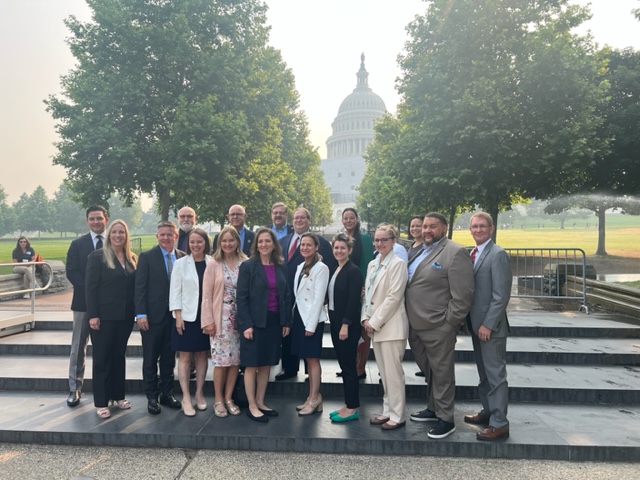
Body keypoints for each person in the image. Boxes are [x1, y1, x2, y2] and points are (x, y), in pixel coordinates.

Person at [405, 212, 474, 439]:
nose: (427, 230)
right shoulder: (417, 251)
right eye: (424, 226)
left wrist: (449, 324)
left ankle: (446, 418)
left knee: (442, 372)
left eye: (432, 226)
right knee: (430, 371)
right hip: (415, 324)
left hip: (438, 325)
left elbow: (462, 295)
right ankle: (433, 408)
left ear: (444, 228)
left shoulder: (455, 252)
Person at [465, 212, 512, 441]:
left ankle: (500, 423)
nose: (478, 230)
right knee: (484, 374)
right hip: (476, 326)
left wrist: (488, 325)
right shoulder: (473, 253)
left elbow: (501, 296)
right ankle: (488, 412)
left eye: (483, 226)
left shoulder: (498, 254)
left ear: (491, 228)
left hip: (489, 328)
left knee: (495, 376)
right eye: (474, 226)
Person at [236, 228, 292, 423]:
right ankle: (251, 405)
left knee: (267, 364)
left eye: (268, 241)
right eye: (260, 241)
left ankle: (260, 401)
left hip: (274, 322)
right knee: (252, 365)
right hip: (254, 323)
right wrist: (246, 324)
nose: (264, 245)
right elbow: (241, 298)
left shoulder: (280, 266)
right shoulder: (248, 266)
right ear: (256, 244)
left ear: (273, 244)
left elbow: (286, 296)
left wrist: (286, 321)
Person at [276, 207, 336, 381]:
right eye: (296, 218)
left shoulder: (322, 243)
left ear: (309, 220)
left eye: (303, 218)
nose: (299, 221)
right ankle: (289, 367)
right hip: (288, 296)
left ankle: (311, 373)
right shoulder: (283, 242)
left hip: (310, 299)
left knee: (309, 338)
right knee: (288, 334)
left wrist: (324, 296)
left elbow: (329, 270)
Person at [85, 219, 137, 419]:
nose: (118, 235)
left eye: (121, 232)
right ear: (109, 235)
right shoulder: (97, 257)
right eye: (114, 232)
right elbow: (91, 288)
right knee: (102, 358)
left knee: (118, 356)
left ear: (126, 235)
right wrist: (93, 315)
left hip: (124, 317)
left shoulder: (132, 258)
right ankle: (101, 401)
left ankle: (117, 395)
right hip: (103, 318)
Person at [361, 224, 409, 431]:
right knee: (384, 372)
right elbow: (367, 294)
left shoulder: (398, 264)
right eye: (377, 240)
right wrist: (365, 317)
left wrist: (374, 321)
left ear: (393, 241)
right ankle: (387, 410)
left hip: (390, 327)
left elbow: (394, 297)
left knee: (393, 374)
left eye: (384, 240)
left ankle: (397, 415)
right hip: (375, 326)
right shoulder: (373, 264)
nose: (380, 243)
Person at [134, 221, 184, 415]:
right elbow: (140, 288)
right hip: (152, 317)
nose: (165, 237)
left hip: (174, 318)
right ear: (157, 236)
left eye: (169, 234)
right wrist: (141, 313)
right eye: (162, 234)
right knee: (150, 359)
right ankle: (152, 397)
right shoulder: (147, 257)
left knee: (169, 360)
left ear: (175, 236)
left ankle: (166, 393)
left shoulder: (182, 258)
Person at [201, 226, 247, 418]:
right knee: (221, 362)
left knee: (235, 361)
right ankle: (218, 399)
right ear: (220, 243)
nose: (228, 244)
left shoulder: (246, 262)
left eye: (231, 240)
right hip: (220, 319)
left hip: (241, 320)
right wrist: (208, 321)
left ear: (237, 242)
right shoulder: (213, 263)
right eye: (224, 241)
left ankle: (229, 398)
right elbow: (207, 295)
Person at [65, 205, 109, 407]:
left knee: (107, 348)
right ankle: (75, 389)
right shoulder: (77, 244)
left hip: (109, 305)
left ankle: (107, 389)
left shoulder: (115, 241)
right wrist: (91, 292)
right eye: (92, 219)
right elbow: (72, 272)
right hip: (83, 304)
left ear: (106, 219)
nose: (96, 222)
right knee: (78, 347)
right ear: (87, 221)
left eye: (99, 218)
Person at [169, 228, 212, 416]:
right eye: (192, 242)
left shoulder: (213, 262)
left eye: (199, 242)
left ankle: (199, 393)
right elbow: (175, 291)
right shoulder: (180, 264)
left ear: (205, 243)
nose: (195, 245)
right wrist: (177, 316)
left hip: (206, 318)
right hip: (186, 318)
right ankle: (186, 397)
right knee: (185, 357)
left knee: (203, 355)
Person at [327, 234, 363, 423]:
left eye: (342, 248)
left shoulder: (353, 271)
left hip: (346, 327)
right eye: (336, 248)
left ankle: (352, 408)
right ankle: (348, 404)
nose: (339, 251)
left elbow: (352, 302)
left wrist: (345, 324)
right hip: (335, 323)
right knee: (344, 366)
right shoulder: (337, 269)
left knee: (349, 368)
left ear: (349, 250)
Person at [292, 233, 329, 416]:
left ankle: (315, 398)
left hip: (311, 320)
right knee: (307, 358)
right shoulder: (300, 266)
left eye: (309, 245)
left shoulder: (321, 268)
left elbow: (318, 299)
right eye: (302, 244)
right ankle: (312, 397)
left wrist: (311, 326)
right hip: (300, 317)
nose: (305, 247)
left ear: (316, 247)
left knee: (313, 359)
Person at [340, 208, 374, 380]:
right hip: (343, 292)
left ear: (357, 219)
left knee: (362, 331)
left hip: (359, 291)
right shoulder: (341, 239)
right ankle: (349, 364)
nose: (348, 220)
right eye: (345, 218)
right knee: (349, 330)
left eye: (351, 217)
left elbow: (367, 264)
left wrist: (362, 288)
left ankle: (360, 367)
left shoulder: (365, 239)